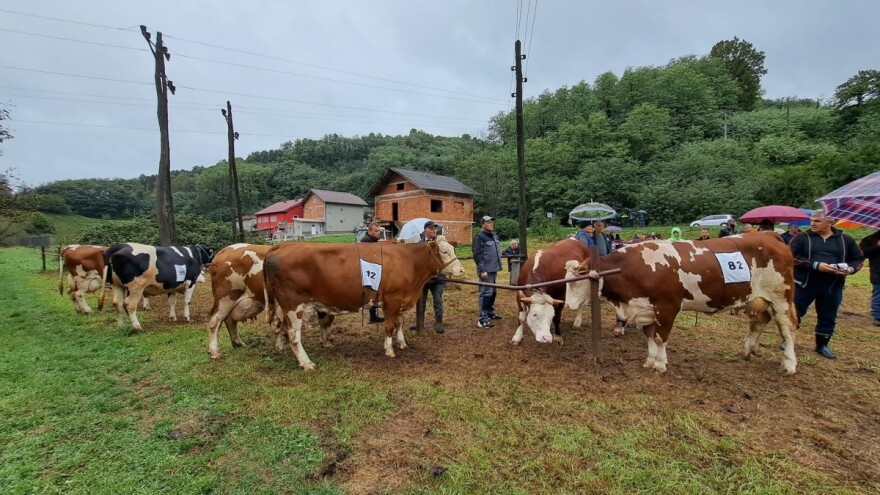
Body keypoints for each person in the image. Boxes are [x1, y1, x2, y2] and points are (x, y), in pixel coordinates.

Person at [790, 209, 864, 359]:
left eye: (817, 221)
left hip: (833, 285)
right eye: (812, 220)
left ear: (830, 222)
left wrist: (850, 269)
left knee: (828, 316)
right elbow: (790, 256)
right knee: (795, 312)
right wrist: (815, 265)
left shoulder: (845, 240)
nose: (812, 223)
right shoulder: (802, 238)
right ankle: (789, 340)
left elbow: (858, 259)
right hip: (805, 283)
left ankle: (822, 345)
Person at [409, 220, 445, 333]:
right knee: (421, 302)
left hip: (437, 278)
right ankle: (420, 323)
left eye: (435, 229)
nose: (434, 231)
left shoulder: (441, 242)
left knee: (438, 301)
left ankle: (439, 323)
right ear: (425, 231)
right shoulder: (419, 244)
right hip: (423, 279)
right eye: (431, 229)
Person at [473, 215, 503, 328]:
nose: (491, 224)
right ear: (483, 224)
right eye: (488, 222)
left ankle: (490, 313)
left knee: (493, 293)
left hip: (494, 269)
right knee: (485, 294)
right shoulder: (479, 237)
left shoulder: (493, 236)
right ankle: (482, 319)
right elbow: (477, 255)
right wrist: (482, 270)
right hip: (486, 271)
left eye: (491, 222)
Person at [359, 222, 384, 324]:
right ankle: (372, 317)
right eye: (376, 231)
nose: (378, 233)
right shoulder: (366, 241)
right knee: (372, 290)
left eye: (379, 231)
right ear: (370, 231)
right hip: (368, 269)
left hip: (372, 268)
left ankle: (373, 316)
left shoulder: (373, 240)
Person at [859, 229, 880, 326]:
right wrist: (876, 246)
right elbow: (861, 253)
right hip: (878, 272)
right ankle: (878, 317)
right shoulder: (870, 239)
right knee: (878, 295)